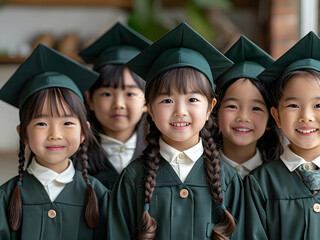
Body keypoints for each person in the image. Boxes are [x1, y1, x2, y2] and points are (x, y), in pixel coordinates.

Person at [108, 22, 245, 240]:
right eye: (167, 100)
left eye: (192, 99)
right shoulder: (133, 178)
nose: (180, 111)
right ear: (149, 108)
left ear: (210, 107)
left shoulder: (227, 179)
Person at [244, 31, 320, 239]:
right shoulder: (260, 182)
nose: (306, 116)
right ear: (277, 117)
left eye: (319, 105)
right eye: (293, 105)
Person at [0, 44, 109, 239]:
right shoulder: (5, 197)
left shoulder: (98, 195)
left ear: (84, 131)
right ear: (23, 134)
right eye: (42, 123)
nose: (55, 134)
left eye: (67, 122)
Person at [78, 22, 151, 189]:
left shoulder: (161, 155)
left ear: (147, 101)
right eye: (106, 94)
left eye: (130, 94)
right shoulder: (75, 160)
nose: (118, 104)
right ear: (89, 99)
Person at [214, 35, 283, 179]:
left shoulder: (279, 178)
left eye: (256, 108)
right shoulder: (198, 174)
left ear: (271, 120)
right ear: (215, 113)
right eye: (232, 106)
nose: (243, 117)